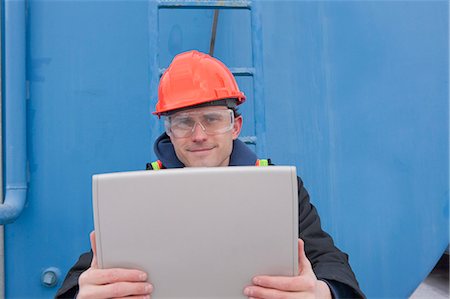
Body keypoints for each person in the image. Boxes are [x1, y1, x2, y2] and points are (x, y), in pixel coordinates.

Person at [56, 50, 365, 299]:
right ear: (170, 132)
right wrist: (85, 294)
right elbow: (84, 275)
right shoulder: (139, 193)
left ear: (235, 127)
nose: (199, 134)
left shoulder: (279, 188)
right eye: (184, 122)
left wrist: (322, 293)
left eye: (212, 119)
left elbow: (329, 261)